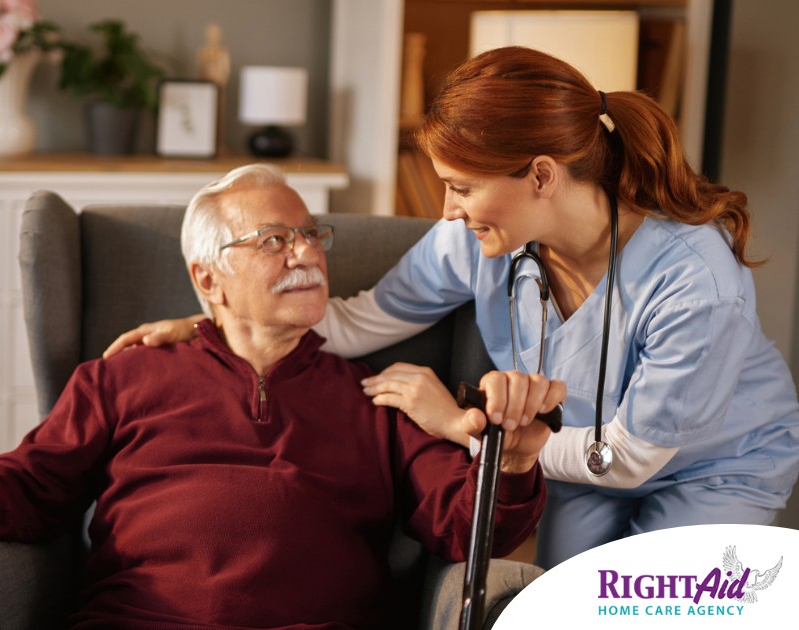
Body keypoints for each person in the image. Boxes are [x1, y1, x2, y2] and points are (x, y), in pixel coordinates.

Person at [103, 46, 799, 570]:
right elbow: (355, 320)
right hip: (574, 454)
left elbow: (629, 459)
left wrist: (460, 426)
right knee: (561, 600)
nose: (447, 210)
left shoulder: (692, 281)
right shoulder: (475, 241)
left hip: (713, 461)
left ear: (541, 175)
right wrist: (218, 327)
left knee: (654, 607)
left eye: (461, 186)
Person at [0, 163, 553, 628]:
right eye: (274, 241)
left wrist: (516, 460)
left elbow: (467, 526)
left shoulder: (378, 398)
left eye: (312, 235)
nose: (306, 255)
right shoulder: (122, 377)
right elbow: (31, 482)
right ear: (210, 277)